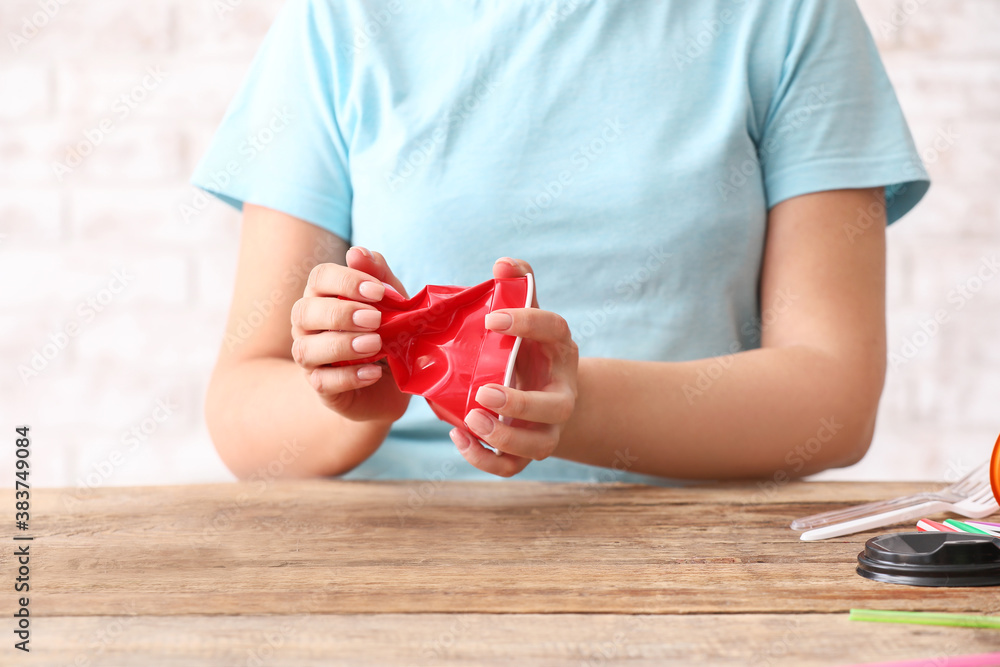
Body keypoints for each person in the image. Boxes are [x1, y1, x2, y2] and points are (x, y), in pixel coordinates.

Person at [192, 0, 929, 483]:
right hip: (393, 566)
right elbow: (243, 404)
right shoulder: (339, 20)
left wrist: (570, 405)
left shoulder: (792, 16)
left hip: (704, 563)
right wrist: (352, 393)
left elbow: (834, 399)